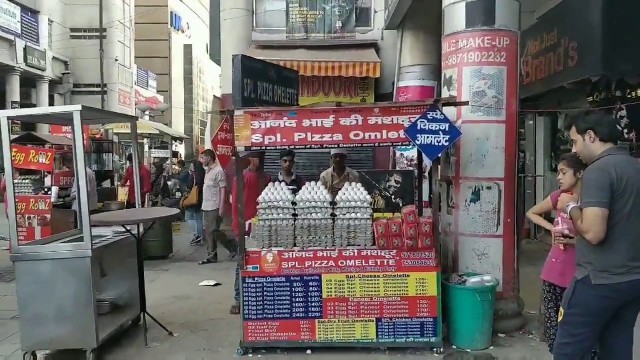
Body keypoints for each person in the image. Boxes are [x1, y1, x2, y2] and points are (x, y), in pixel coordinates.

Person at [553, 110, 640, 360]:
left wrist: (571, 208)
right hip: (632, 280)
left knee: (567, 350)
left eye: (575, 141)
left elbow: (593, 232)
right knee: (617, 348)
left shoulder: (599, 170)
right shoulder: (635, 167)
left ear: (590, 136)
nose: (574, 149)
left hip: (598, 280)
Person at [525, 153, 586, 355]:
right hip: (553, 272)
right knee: (554, 329)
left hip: (579, 276)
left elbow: (596, 236)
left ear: (579, 173)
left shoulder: (592, 202)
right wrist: (551, 228)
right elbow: (531, 212)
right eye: (558, 172)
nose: (558, 177)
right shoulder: (558, 196)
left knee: (579, 330)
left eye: (563, 172)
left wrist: (574, 240)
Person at [230, 151, 270, 315]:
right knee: (242, 262)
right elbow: (235, 205)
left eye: (261, 158)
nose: (259, 161)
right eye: (256, 158)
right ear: (249, 159)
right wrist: (238, 227)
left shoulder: (267, 179)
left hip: (262, 227)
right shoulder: (240, 178)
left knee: (263, 261)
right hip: (244, 226)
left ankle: (261, 297)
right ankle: (238, 299)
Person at [198, 149, 236, 265]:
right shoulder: (208, 171)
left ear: (209, 158)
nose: (201, 160)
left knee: (213, 230)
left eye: (203, 158)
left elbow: (223, 189)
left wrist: (221, 207)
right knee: (208, 231)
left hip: (215, 205)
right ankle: (212, 255)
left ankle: (232, 246)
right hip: (206, 205)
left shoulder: (218, 171)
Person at [184, 160, 205, 246]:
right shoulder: (203, 173)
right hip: (200, 198)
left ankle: (196, 235)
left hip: (193, 198)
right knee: (199, 218)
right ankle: (200, 237)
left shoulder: (193, 175)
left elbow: (189, 185)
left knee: (189, 217)